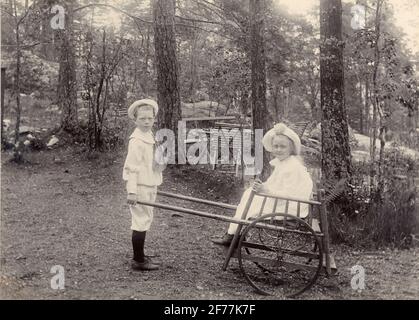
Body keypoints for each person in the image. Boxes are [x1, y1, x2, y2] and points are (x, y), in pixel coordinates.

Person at [212, 123, 313, 246]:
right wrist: (261, 186)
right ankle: (234, 233)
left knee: (251, 202)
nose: (278, 150)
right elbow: (274, 184)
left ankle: (232, 235)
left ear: (291, 148)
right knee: (249, 194)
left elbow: (289, 193)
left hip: (290, 206)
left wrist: (265, 190)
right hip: (285, 202)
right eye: (276, 146)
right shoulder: (284, 163)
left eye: (283, 147)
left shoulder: (292, 167)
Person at [123, 99, 166, 271]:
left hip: (150, 183)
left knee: (146, 219)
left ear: (154, 118)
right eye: (142, 119)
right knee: (140, 221)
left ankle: (140, 254)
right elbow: (131, 168)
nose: (147, 122)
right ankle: (138, 260)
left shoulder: (149, 136)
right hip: (140, 186)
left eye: (150, 118)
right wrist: (132, 191)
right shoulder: (136, 141)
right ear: (135, 120)